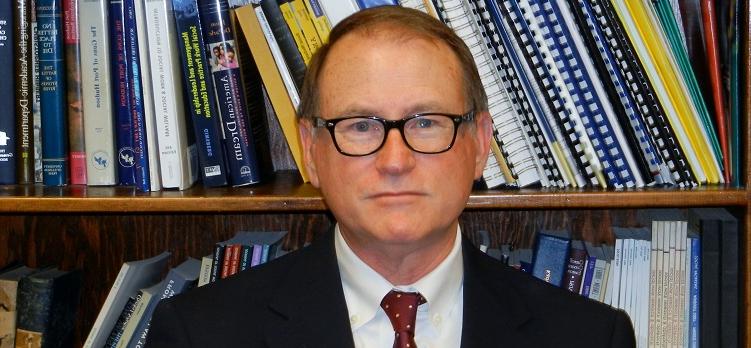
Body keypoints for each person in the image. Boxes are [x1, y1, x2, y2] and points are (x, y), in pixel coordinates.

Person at [147, 6, 635, 348]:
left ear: (481, 143)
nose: (395, 160)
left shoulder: (591, 336)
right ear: (311, 151)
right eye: (360, 126)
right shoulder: (199, 333)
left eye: (425, 122)